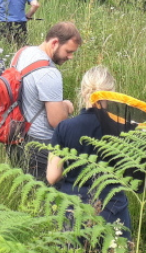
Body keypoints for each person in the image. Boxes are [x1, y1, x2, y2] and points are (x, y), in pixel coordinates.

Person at [46, 65, 132, 238]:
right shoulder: (123, 129)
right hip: (112, 205)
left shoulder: (64, 128)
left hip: (73, 206)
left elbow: (52, 176)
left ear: (83, 91)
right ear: (112, 93)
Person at [11, 21, 82, 181]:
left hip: (16, 136)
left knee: (26, 193)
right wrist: (66, 105)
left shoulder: (22, 53)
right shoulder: (49, 73)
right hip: (40, 144)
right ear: (55, 42)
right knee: (48, 199)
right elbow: (57, 121)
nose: (70, 57)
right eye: (68, 51)